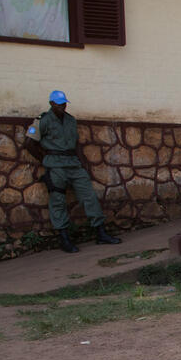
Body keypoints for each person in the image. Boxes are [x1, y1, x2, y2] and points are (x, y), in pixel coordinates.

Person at [24, 90, 122, 254]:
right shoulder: (43, 120)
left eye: (63, 103)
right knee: (58, 200)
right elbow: (29, 143)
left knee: (89, 195)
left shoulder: (70, 120)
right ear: (51, 104)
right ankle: (64, 239)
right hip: (55, 165)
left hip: (73, 164)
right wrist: (45, 159)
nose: (62, 106)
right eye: (58, 104)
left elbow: (75, 143)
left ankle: (100, 232)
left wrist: (82, 162)